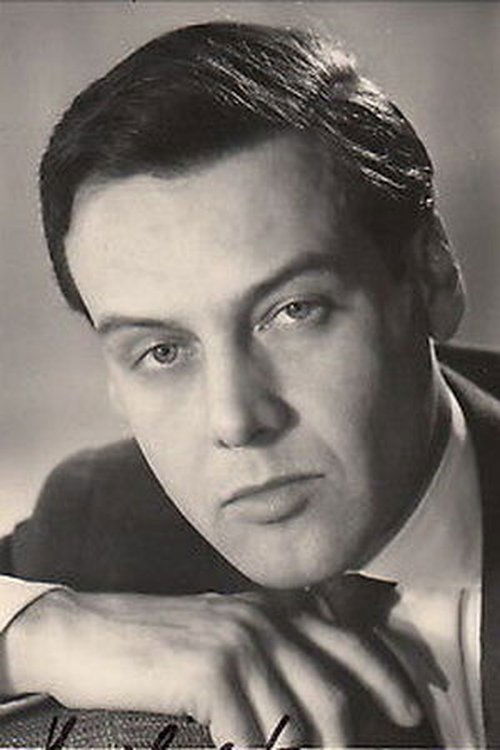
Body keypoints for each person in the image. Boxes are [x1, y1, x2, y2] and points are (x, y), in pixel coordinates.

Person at [0, 20, 499, 748]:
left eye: (293, 312)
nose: (235, 419)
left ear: (432, 278)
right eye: (162, 350)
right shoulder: (97, 519)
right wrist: (39, 628)